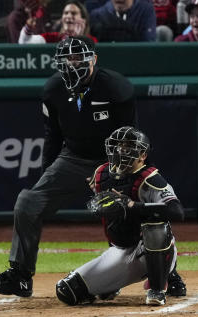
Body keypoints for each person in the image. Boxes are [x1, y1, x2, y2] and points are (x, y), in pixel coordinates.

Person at [0, 37, 187, 299]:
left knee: (129, 211)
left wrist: (116, 174)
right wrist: (48, 174)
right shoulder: (53, 90)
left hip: (116, 161)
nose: (73, 64)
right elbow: (53, 138)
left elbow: (131, 137)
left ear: (93, 59)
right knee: (28, 202)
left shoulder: (116, 87)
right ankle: (20, 276)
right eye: (67, 59)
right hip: (73, 159)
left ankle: (166, 273)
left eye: (78, 58)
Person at [56, 126, 184, 307]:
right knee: (67, 290)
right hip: (120, 250)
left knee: (155, 227)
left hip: (147, 250)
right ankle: (113, 283)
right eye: (120, 146)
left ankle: (160, 284)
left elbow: (177, 211)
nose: (122, 151)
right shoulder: (101, 174)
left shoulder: (150, 179)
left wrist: (133, 206)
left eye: (129, 147)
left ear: (143, 155)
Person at [19, 0, 95, 44]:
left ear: (83, 20)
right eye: (66, 13)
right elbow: (25, 43)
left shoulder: (92, 41)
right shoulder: (52, 38)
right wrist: (29, 27)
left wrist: (78, 38)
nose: (68, 16)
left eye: (73, 13)